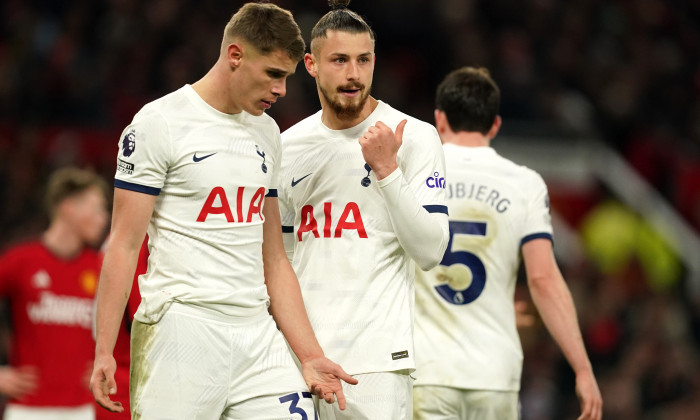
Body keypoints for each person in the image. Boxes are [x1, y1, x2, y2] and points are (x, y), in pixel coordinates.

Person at [89, 3, 356, 419]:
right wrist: (104, 349)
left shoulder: (267, 132)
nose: (282, 90)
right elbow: (123, 245)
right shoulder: (160, 123)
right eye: (273, 74)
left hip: (256, 331)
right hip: (182, 327)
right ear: (235, 56)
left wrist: (309, 354)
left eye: (286, 77)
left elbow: (273, 258)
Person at [277, 1, 449, 418]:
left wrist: (388, 169)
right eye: (339, 60)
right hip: (297, 361)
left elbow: (431, 251)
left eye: (363, 60)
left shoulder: (415, 137)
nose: (354, 74)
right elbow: (278, 260)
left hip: (377, 365)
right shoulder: (286, 146)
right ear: (311, 64)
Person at [412, 66, 603, 420]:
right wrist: (583, 368)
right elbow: (543, 281)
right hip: (494, 373)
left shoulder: (411, 175)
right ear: (495, 124)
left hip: (426, 371)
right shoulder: (525, 183)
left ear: (439, 119)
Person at [0, 167, 109, 420]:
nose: (104, 218)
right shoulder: (21, 261)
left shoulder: (100, 267)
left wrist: (108, 361)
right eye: (98, 208)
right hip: (27, 410)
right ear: (69, 207)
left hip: (83, 409)